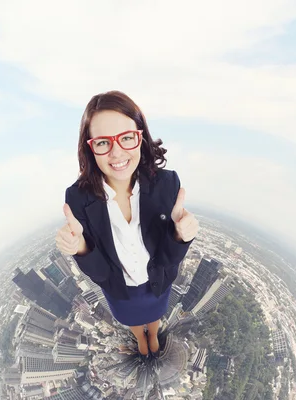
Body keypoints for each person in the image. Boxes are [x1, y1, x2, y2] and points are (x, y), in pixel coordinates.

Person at [55, 90, 199, 361]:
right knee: (131, 319)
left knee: (155, 314)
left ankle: (153, 334)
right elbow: (99, 273)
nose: (117, 152)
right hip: (119, 289)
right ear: (90, 147)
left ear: (140, 136)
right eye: (102, 143)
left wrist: (180, 236)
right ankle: (139, 337)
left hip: (158, 281)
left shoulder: (167, 185)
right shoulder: (77, 199)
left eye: (127, 138)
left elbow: (168, 259)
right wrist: (80, 247)